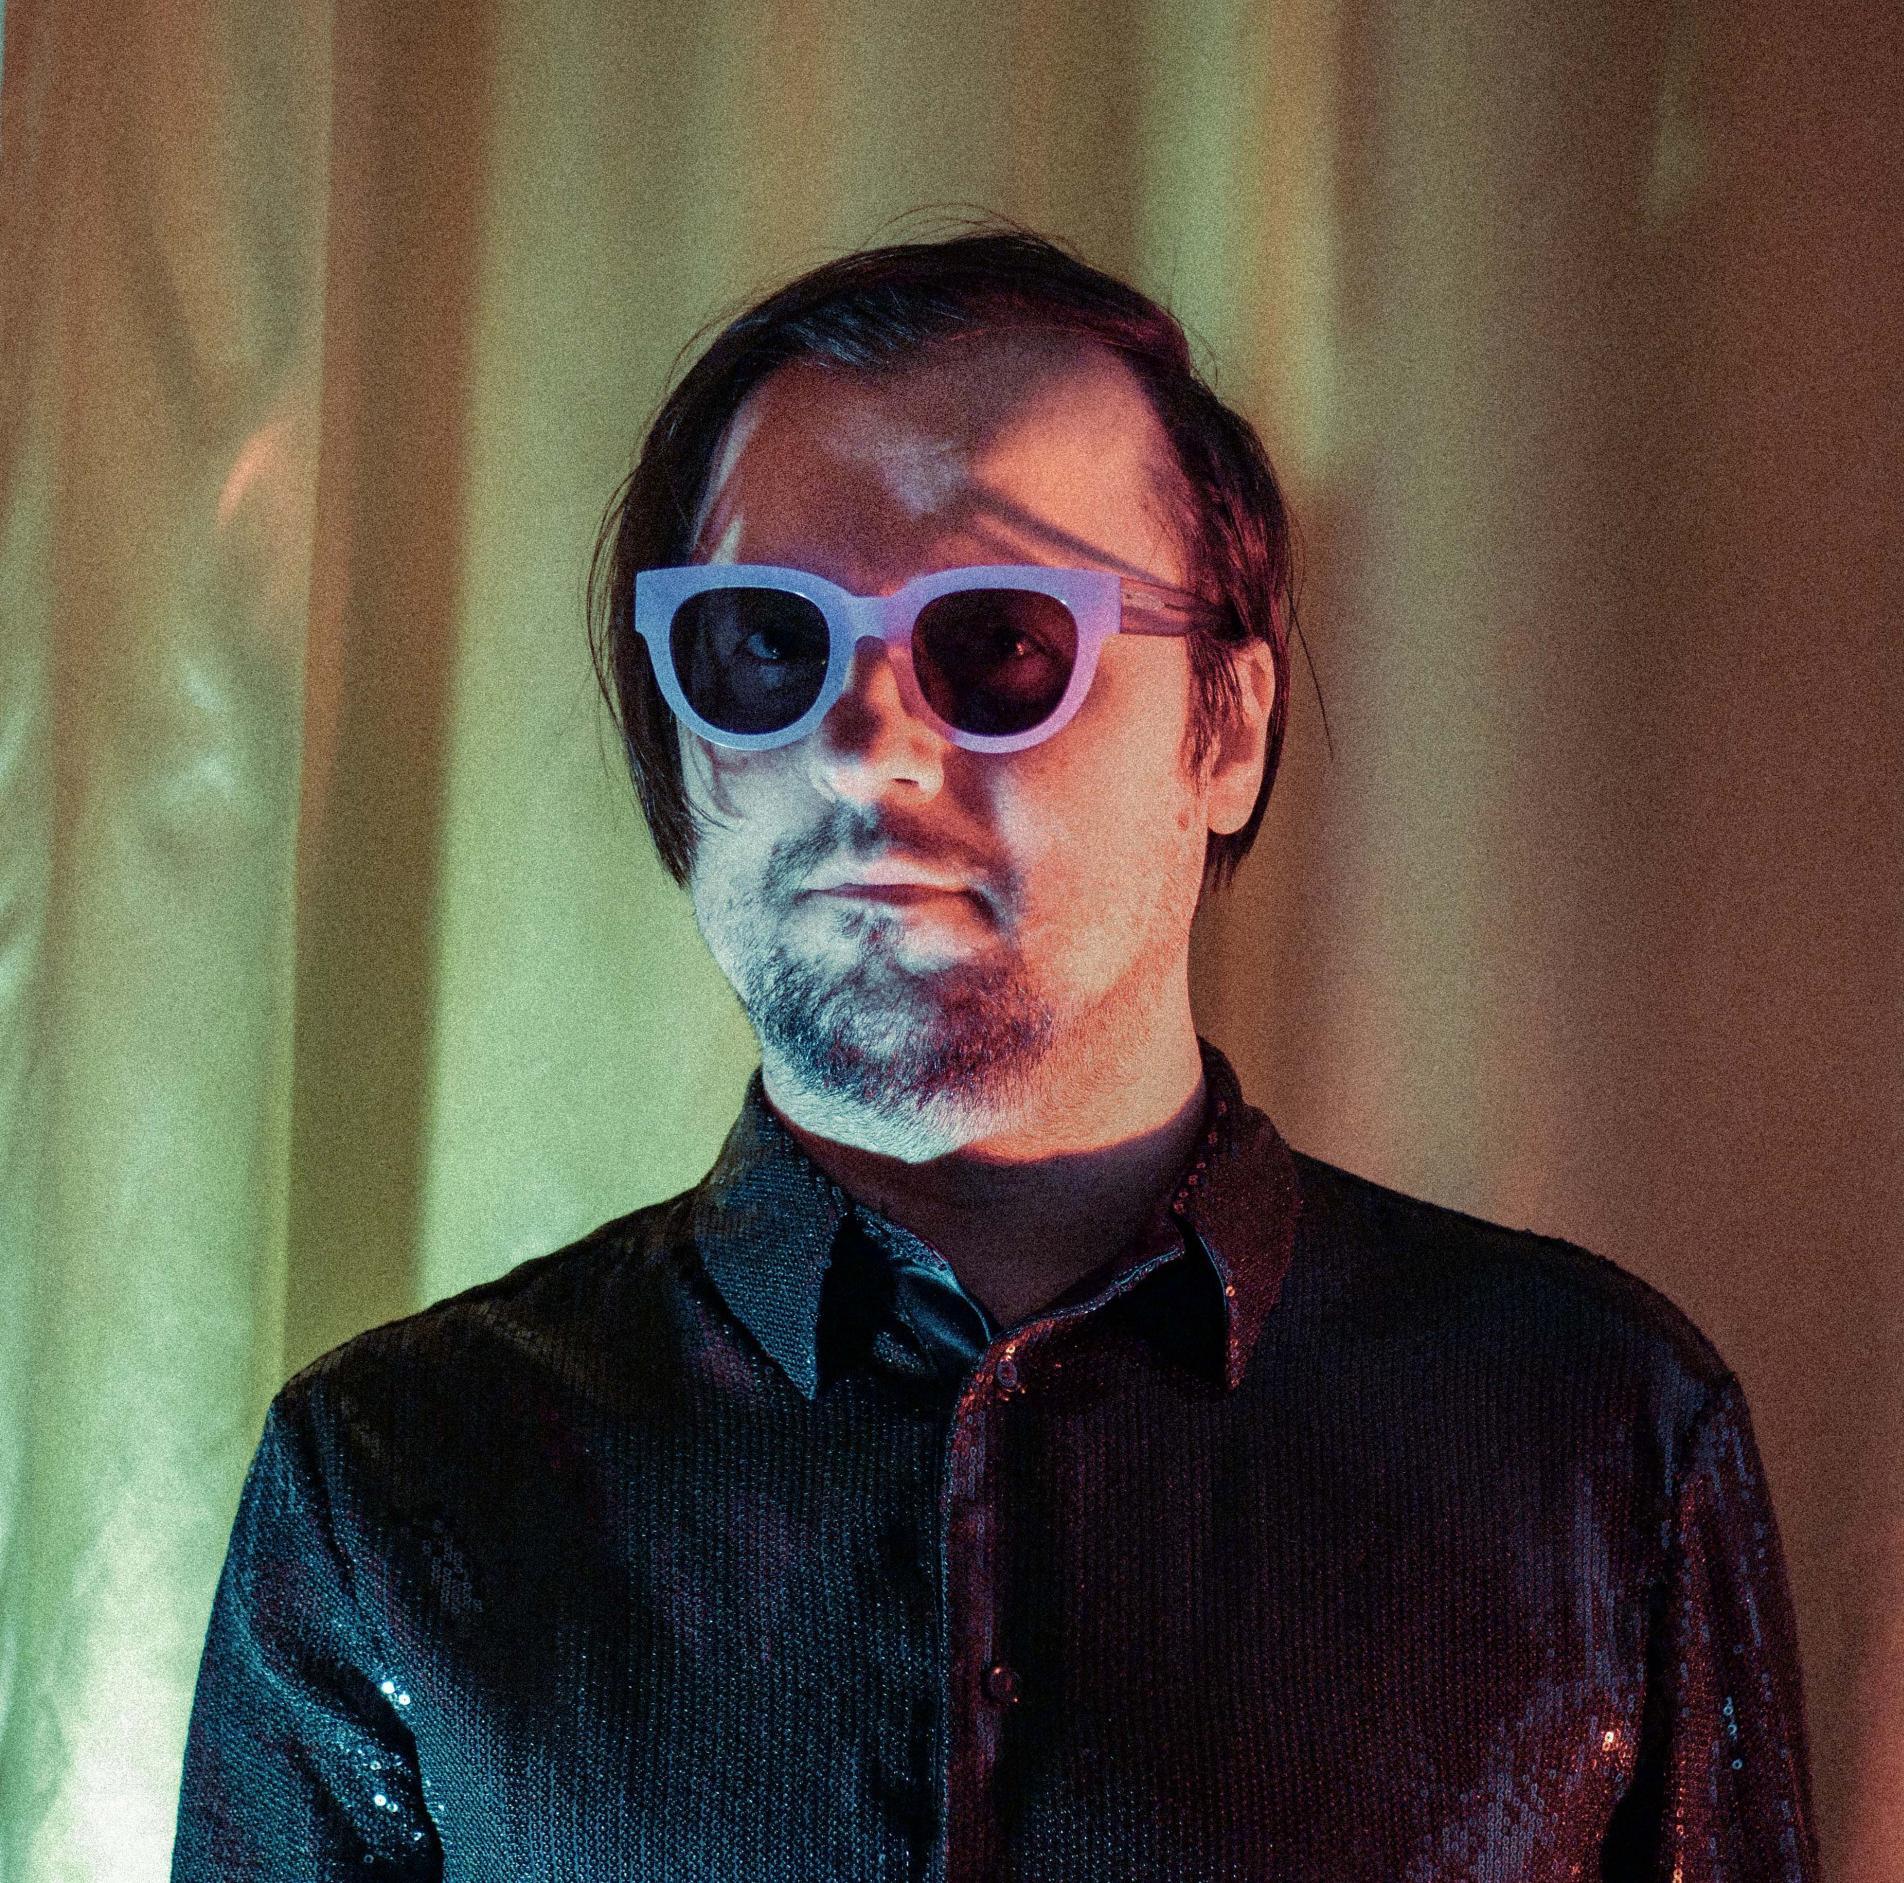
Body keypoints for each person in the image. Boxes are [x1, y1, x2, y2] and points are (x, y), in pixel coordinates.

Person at [172, 228, 1820, 1881]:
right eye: (766, 642)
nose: (867, 747)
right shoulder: (393, 1484)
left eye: (1001, 641)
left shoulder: (1596, 1438)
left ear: (1229, 729)